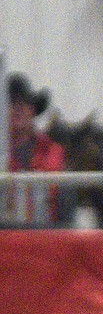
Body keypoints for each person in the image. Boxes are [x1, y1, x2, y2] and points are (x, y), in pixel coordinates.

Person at [5, 73, 74, 226]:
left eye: (25, 102)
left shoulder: (56, 153)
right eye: (11, 103)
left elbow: (67, 216)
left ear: (33, 110)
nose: (19, 108)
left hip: (46, 242)